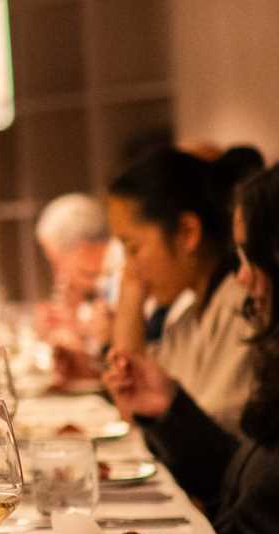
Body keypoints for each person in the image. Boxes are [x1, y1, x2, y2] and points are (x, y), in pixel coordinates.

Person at [103, 162, 279, 534]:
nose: (243, 278)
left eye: (252, 257)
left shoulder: (240, 318)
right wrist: (170, 407)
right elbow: (243, 488)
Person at [106, 145, 263, 432]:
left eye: (133, 248)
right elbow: (138, 409)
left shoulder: (244, 306)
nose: (129, 269)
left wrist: (130, 294)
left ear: (188, 233)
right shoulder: (189, 315)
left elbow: (214, 437)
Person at [33, 192, 114, 363]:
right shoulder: (96, 284)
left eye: (54, 260)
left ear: (82, 248)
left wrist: (76, 331)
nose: (57, 272)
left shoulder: (120, 277)